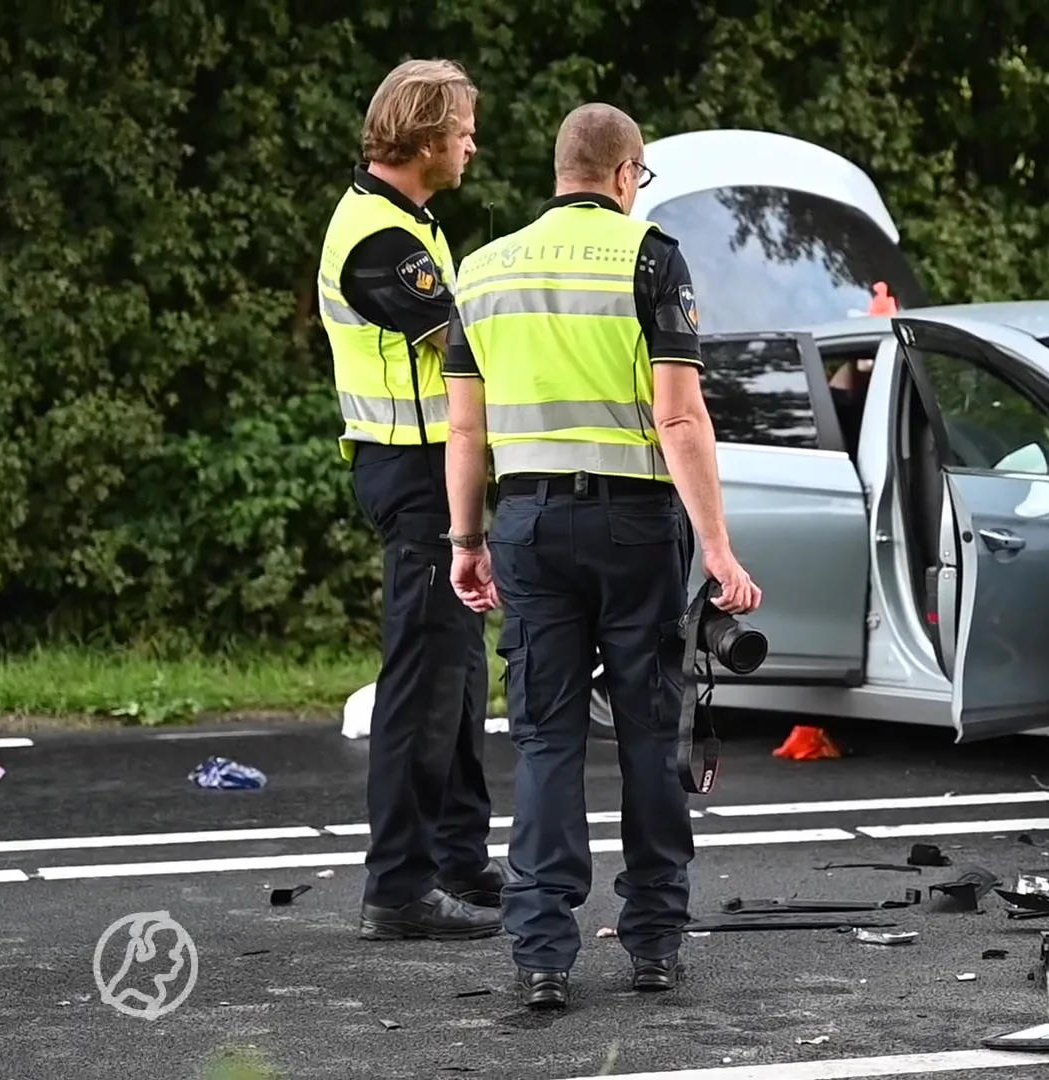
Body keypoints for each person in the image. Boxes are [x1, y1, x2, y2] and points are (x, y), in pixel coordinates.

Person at [441, 102, 762, 1008]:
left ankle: (541, 953)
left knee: (545, 740)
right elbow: (679, 416)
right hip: (633, 528)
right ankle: (654, 940)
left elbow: (464, 429)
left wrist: (468, 541)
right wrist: (719, 548)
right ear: (626, 174)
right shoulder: (650, 255)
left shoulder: (483, 267)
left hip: (530, 525)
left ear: (559, 170)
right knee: (651, 734)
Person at [315, 58, 505, 942]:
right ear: (427, 138)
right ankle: (397, 890)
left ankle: (459, 860)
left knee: (460, 676)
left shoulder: (411, 225)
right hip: (414, 471)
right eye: (464, 129)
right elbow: (460, 345)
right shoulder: (377, 240)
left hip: (438, 473)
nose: (473, 143)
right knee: (422, 684)